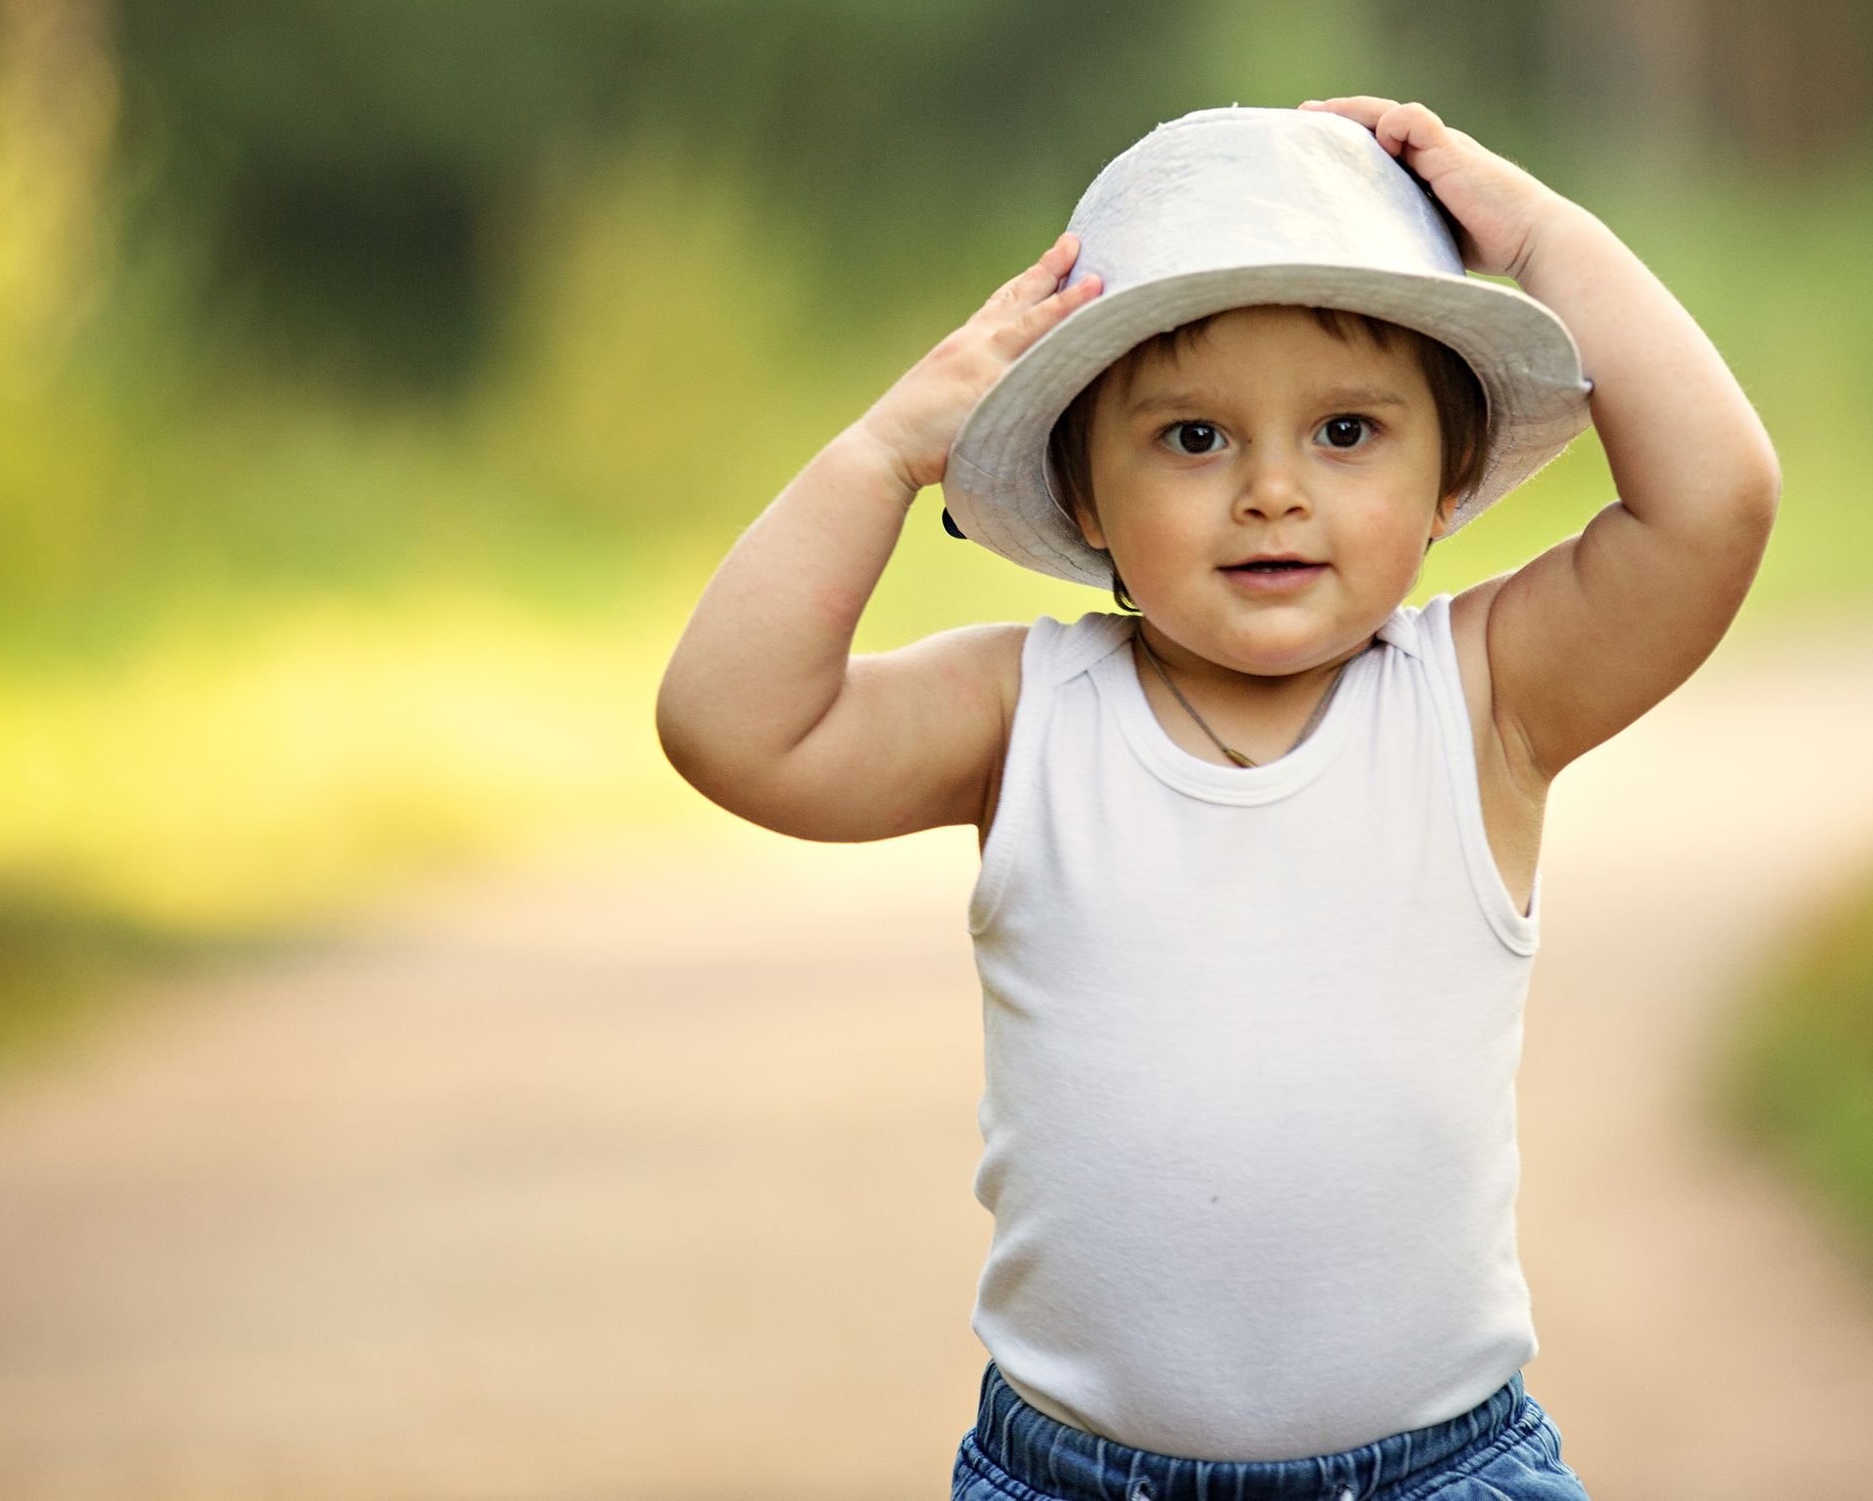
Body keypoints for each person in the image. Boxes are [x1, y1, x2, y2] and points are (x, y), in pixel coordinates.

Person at [655, 97, 1779, 1500]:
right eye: (1192, 440)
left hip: (1441, 1472)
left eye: (1349, 432)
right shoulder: (1027, 715)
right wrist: (884, 453)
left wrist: (1539, 235)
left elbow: (1713, 501)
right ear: (1081, 491)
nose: (1271, 492)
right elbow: (733, 725)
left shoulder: (1482, 697)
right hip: (1074, 1478)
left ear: (1449, 475)